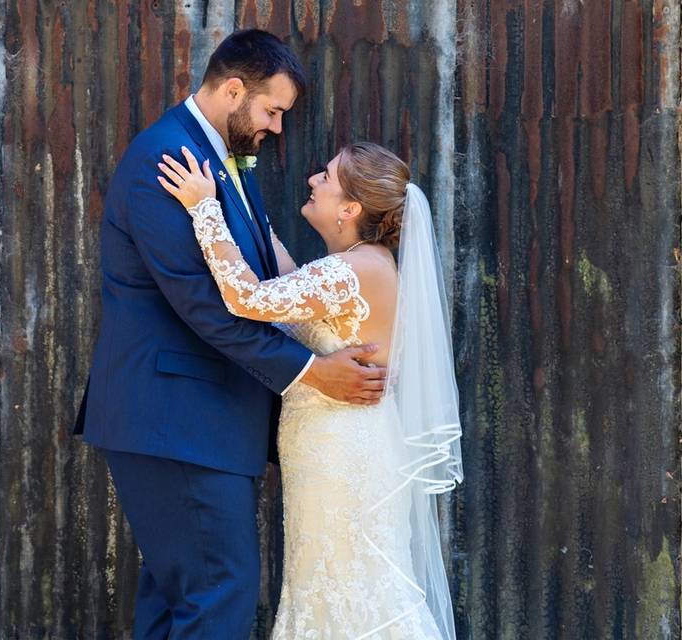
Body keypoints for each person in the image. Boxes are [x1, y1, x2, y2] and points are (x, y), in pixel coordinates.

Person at [74, 29, 386, 639]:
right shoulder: (168, 160)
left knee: (180, 601)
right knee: (219, 592)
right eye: (272, 111)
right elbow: (204, 305)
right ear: (234, 89)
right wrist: (311, 371)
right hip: (177, 418)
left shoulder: (214, 158)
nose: (275, 128)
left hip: (198, 423)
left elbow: (260, 276)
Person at [158, 141, 464, 639]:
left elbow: (248, 297)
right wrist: (241, 201)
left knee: (354, 585)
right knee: (327, 583)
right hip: (333, 446)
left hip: (344, 453)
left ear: (351, 208)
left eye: (327, 176)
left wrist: (203, 208)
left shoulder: (355, 269)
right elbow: (288, 279)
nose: (313, 180)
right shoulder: (359, 264)